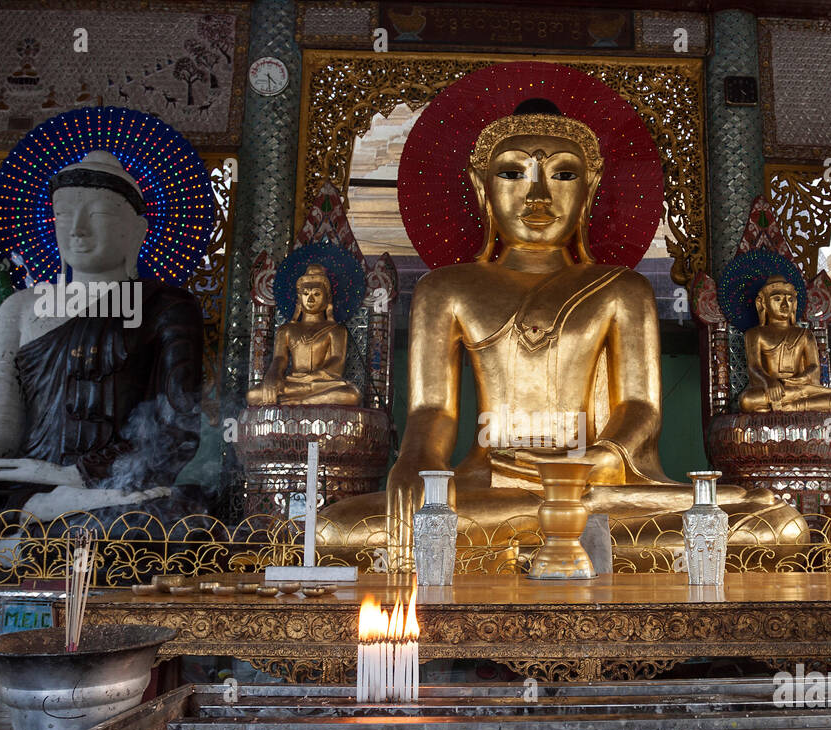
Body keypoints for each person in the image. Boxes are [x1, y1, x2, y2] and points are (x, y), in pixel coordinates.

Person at [324, 102, 806, 561]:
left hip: (595, 484)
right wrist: (414, 464)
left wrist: (599, 457)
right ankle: (553, 533)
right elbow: (432, 410)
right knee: (334, 530)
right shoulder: (446, 288)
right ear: (480, 186)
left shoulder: (623, 289)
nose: (537, 195)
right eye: (513, 173)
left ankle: (535, 535)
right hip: (487, 482)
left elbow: (639, 408)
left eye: (563, 174)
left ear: (590, 188)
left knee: (774, 526)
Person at [0, 150, 203, 539]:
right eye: (64, 214)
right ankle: (29, 527)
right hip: (15, 488)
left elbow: (175, 433)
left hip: (114, 490)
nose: (77, 229)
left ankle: (28, 531)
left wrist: (62, 474)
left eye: (98, 215)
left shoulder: (166, 306)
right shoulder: (20, 308)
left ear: (137, 230)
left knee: (161, 525)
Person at [247, 263, 362, 406]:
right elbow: (279, 359)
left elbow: (337, 361)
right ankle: (300, 400)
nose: (311, 300)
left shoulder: (336, 330)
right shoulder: (286, 329)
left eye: (317, 294)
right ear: (299, 298)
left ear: (327, 298)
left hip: (321, 384)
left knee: (351, 395)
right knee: (253, 395)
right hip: (293, 383)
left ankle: (299, 401)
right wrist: (272, 376)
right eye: (306, 294)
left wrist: (311, 378)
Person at [737, 275, 831, 413]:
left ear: (795, 304)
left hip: (800, 388)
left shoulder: (805, 334)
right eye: (777, 299)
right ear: (763, 304)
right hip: (773, 390)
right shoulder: (755, 334)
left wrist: (801, 379)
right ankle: (796, 406)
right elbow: (754, 367)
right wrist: (770, 382)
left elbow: (814, 367)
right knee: (747, 400)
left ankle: (794, 407)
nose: (785, 305)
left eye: (790, 300)